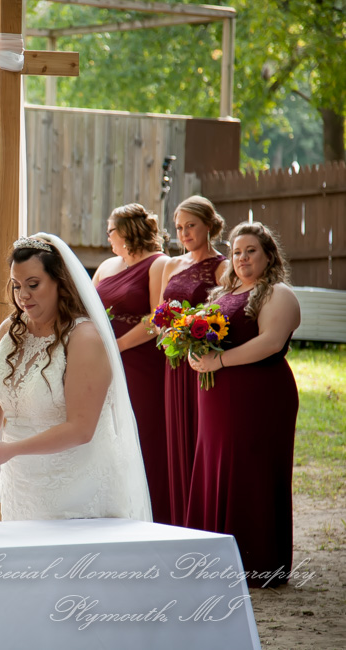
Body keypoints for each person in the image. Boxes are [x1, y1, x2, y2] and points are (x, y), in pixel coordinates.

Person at [0, 233, 151, 522]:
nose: (23, 296)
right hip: (21, 484)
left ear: (60, 282)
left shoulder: (83, 338)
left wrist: (11, 450)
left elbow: (81, 429)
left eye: (33, 285)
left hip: (75, 488)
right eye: (17, 285)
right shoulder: (11, 329)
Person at [187, 222, 300, 587]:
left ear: (268, 255)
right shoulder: (224, 292)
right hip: (217, 398)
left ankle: (257, 558)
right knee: (215, 466)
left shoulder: (278, 294)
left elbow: (269, 342)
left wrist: (217, 362)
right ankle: (214, 553)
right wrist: (193, 349)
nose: (242, 258)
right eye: (236, 252)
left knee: (250, 470)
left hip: (259, 396)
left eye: (251, 250)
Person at [93, 203, 171, 524]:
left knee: (143, 432)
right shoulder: (108, 266)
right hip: (103, 362)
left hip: (141, 362)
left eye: (110, 230)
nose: (107, 236)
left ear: (125, 232)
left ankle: (152, 512)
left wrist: (118, 346)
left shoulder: (159, 264)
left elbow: (158, 317)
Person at [159, 196, 228, 526]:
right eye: (179, 228)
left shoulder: (223, 267)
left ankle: (201, 517)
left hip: (201, 362)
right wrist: (167, 328)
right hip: (173, 364)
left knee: (199, 435)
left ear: (209, 226)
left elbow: (225, 312)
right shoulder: (171, 265)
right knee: (175, 435)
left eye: (191, 226)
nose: (184, 233)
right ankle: (179, 517)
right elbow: (160, 314)